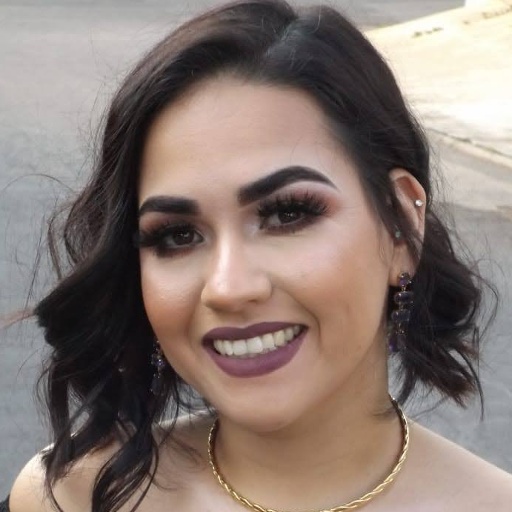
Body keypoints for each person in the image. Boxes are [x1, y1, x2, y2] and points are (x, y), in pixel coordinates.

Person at [4, 0, 512, 510]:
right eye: (177, 236)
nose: (229, 287)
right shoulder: (69, 498)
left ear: (401, 225)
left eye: (288, 214)